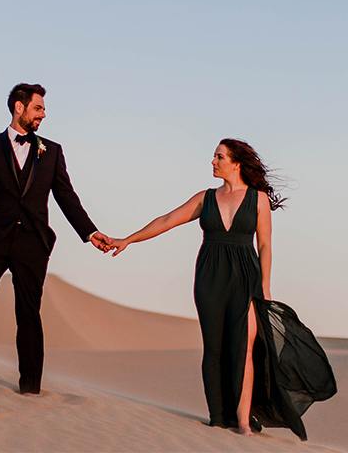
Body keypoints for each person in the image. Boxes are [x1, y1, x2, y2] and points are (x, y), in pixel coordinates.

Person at [107, 139, 335, 439]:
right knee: (213, 348)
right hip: (209, 277)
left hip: (246, 278)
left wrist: (264, 288)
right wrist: (127, 239)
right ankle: (217, 418)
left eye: (219, 157)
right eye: (214, 156)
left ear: (236, 163)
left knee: (243, 348)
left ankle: (242, 421)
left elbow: (264, 244)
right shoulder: (205, 198)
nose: (213, 161)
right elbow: (166, 220)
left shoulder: (258, 199)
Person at [0, 83, 112, 396]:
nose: (44, 115)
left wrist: (90, 232)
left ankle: (30, 388)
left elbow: (66, 195)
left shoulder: (52, 151)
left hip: (32, 242)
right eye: (39, 108)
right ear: (19, 108)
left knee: (29, 314)